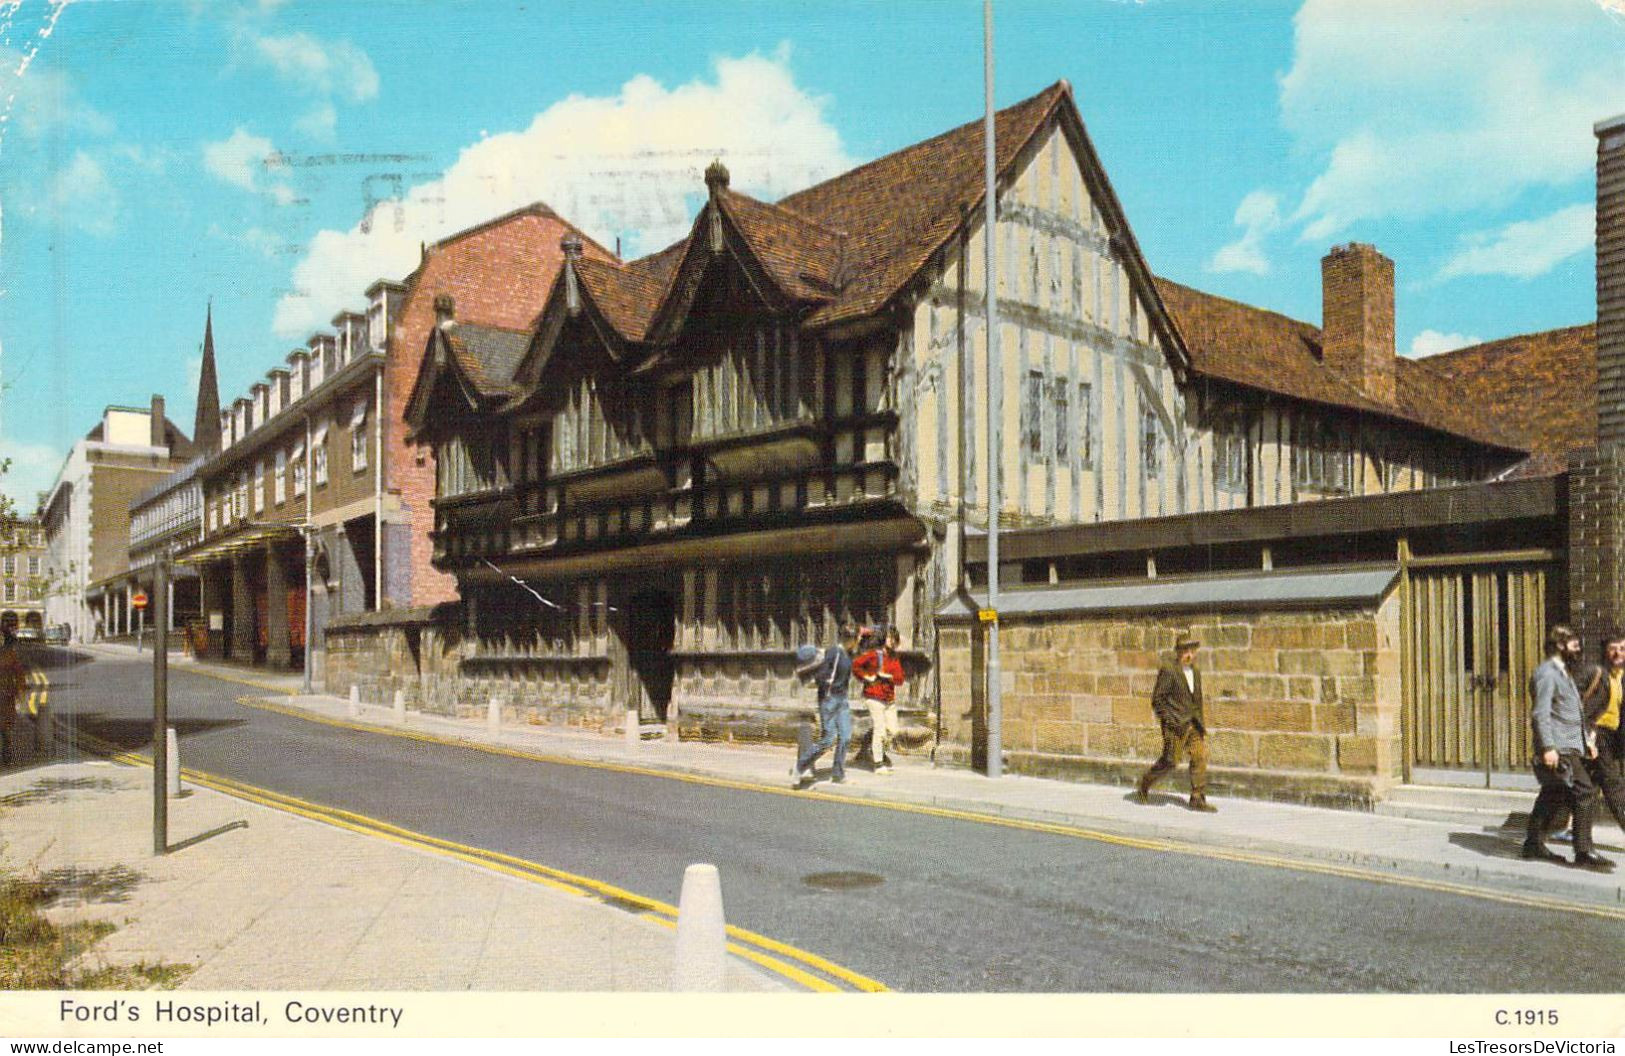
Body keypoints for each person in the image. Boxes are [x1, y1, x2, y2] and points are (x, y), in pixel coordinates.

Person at [1522, 624, 1612, 871]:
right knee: (1585, 791)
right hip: (1558, 747)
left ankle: (1533, 844)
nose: (1578, 648)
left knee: (1553, 793)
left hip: (1569, 745)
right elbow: (1541, 713)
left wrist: (1586, 741)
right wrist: (1548, 747)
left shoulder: (1563, 673)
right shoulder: (1547, 673)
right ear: (1559, 645)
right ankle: (1583, 851)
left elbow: (1571, 713)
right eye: (1573, 644)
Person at [1135, 635, 1215, 813]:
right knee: (1171, 761)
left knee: (1200, 756)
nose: (1189, 655)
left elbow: (1197, 700)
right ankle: (1145, 783)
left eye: (1191, 651)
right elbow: (1157, 700)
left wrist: (1201, 723)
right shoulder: (1169, 670)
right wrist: (1170, 720)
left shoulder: (1195, 671)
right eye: (1185, 651)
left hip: (1194, 724)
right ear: (1178, 652)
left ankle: (1197, 797)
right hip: (1175, 725)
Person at [791, 623, 859, 787]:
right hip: (829, 699)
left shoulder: (848, 654)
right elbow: (822, 673)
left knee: (846, 736)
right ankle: (800, 767)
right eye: (857, 639)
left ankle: (838, 773)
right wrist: (825, 684)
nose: (858, 642)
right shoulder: (835, 652)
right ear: (850, 639)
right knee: (829, 739)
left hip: (842, 700)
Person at [853, 625, 906, 774]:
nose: (891, 641)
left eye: (894, 638)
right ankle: (878, 763)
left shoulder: (894, 658)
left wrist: (889, 677)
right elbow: (856, 665)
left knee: (893, 732)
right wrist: (866, 677)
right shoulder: (874, 655)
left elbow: (900, 679)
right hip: (874, 696)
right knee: (880, 730)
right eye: (889, 637)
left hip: (889, 700)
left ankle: (870, 746)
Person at [0, 628, 27, 767]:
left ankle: (7, 756)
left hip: (6, 696)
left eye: (1, 638)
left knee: (5, 729)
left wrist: (21, 694)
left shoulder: (10, 655)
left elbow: (20, 676)